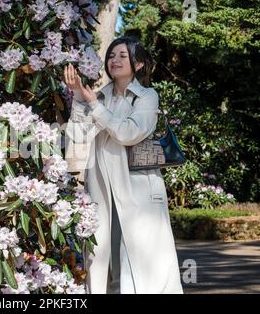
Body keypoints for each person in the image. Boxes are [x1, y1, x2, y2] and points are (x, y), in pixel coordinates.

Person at [64, 36, 183, 294]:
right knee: (100, 251)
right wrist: (77, 94)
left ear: (138, 64)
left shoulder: (147, 96)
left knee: (138, 259)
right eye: (111, 55)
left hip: (137, 188)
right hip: (101, 187)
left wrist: (94, 104)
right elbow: (78, 134)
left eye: (121, 55)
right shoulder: (98, 95)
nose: (114, 60)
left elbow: (129, 132)